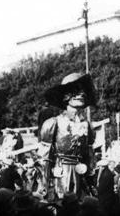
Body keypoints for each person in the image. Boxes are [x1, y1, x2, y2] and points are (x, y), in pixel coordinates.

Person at [38, 72, 96, 200]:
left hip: (80, 175)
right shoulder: (53, 123)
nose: (81, 94)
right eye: (76, 90)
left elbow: (89, 156)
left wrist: (92, 183)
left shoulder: (87, 126)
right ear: (66, 96)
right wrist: (44, 183)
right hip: (60, 175)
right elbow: (44, 158)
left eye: (83, 90)